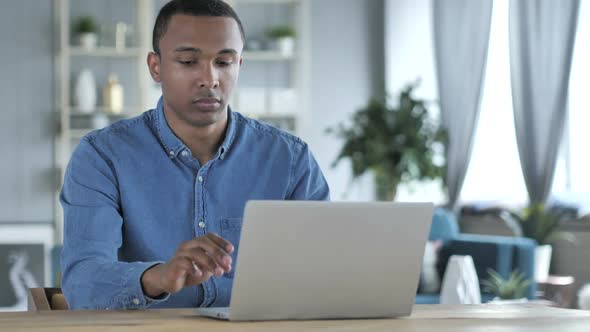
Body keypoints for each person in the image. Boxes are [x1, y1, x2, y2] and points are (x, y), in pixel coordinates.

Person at [60, 0, 329, 310]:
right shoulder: (102, 156)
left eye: (224, 62)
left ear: (239, 66)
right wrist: (158, 277)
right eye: (188, 61)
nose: (209, 78)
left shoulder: (290, 159)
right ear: (155, 67)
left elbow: (326, 268)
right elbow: (83, 281)